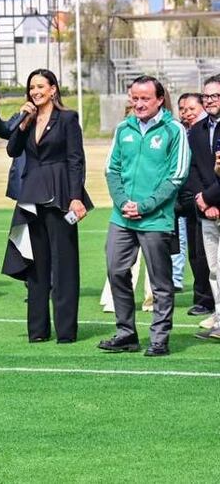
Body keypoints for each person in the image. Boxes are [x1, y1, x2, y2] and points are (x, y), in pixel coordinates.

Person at [99, 76, 189, 356]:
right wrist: (124, 202)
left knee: (160, 281)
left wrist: (146, 205)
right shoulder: (123, 128)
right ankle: (126, 333)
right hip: (122, 217)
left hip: (155, 218)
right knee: (116, 271)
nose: (138, 104)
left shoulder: (174, 130)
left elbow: (177, 175)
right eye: (134, 98)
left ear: (159, 99)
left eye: (145, 98)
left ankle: (159, 339)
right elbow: (111, 170)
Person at [2, 69, 92, 344]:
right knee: (35, 264)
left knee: (63, 264)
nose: (35, 91)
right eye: (32, 87)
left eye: (41, 86)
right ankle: (38, 330)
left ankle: (66, 331)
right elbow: (12, 150)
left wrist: (75, 197)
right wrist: (22, 121)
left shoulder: (68, 119)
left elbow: (76, 160)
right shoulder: (27, 119)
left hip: (60, 195)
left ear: (53, 89)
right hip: (31, 197)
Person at [188, 75, 220, 341]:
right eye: (207, 96)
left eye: (215, 96)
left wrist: (210, 198)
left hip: (215, 205)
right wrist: (202, 199)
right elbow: (193, 169)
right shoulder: (196, 131)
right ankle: (219, 320)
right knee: (214, 269)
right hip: (207, 211)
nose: (210, 100)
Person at [176, 92, 213, 316]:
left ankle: (206, 300)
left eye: (191, 108)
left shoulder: (206, 132)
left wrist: (205, 197)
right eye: (182, 109)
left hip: (205, 198)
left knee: (204, 254)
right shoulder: (185, 132)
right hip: (189, 201)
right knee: (194, 252)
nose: (186, 113)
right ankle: (202, 298)